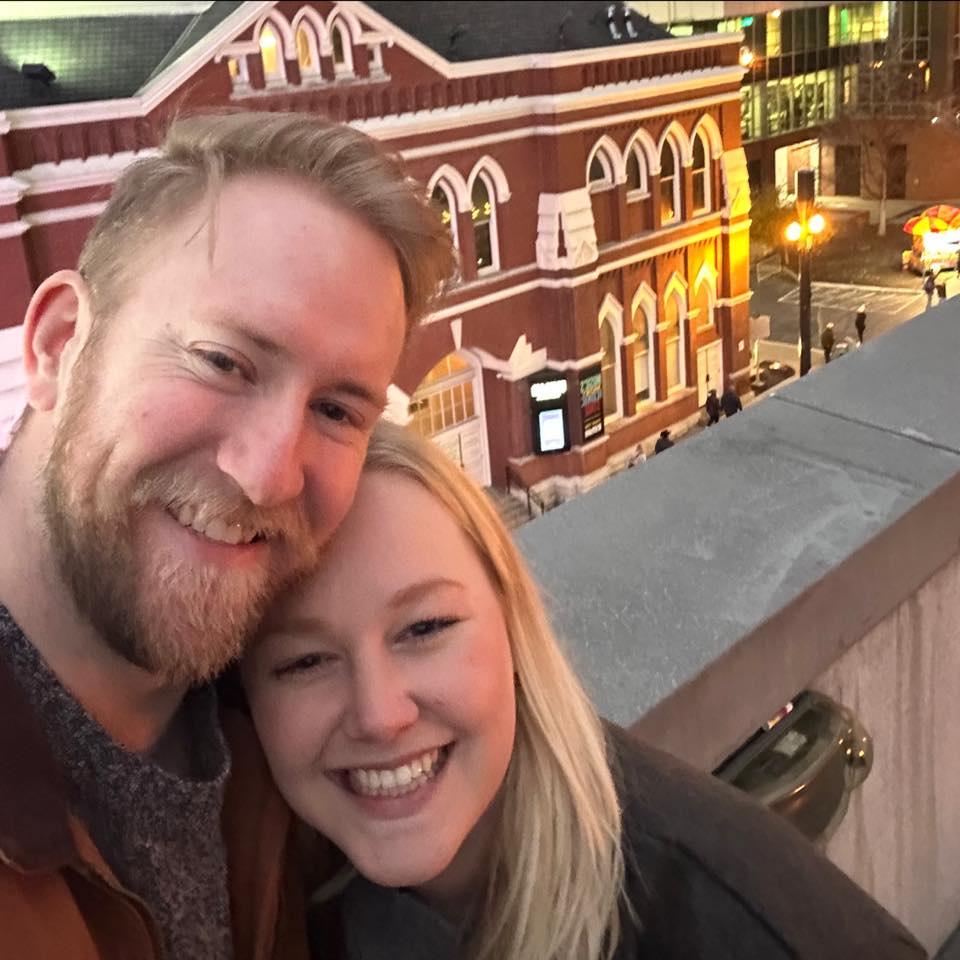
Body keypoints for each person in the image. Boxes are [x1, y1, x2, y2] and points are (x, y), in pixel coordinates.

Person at [0, 111, 455, 959]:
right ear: (60, 346)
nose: (269, 475)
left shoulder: (294, 730)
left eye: (335, 410)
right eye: (223, 362)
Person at [242, 422, 926, 960]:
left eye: (424, 627)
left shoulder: (757, 932)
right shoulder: (267, 900)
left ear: (513, 627)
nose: (380, 714)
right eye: (303, 663)